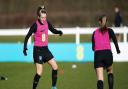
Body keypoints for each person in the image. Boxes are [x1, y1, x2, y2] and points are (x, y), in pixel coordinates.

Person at [23, 5, 63, 89]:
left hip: (45, 49)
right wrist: (25, 47)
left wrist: (59, 31)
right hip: (38, 50)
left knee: (55, 67)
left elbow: (52, 30)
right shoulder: (35, 25)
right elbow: (27, 36)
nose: (44, 19)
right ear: (38, 17)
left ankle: (53, 87)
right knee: (39, 72)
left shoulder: (47, 22)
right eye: (42, 18)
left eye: (45, 17)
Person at [92, 15, 120, 89]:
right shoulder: (110, 30)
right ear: (106, 22)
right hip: (108, 54)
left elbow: (93, 47)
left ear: (99, 22)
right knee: (110, 71)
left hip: (98, 55)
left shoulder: (94, 32)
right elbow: (115, 40)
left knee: (100, 79)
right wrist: (118, 50)